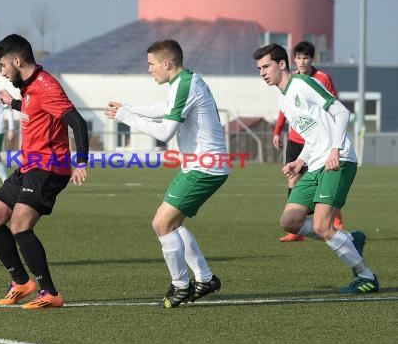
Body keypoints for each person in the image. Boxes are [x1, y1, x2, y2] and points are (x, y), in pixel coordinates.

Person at [106, 39, 229, 308]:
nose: (149, 69)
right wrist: (126, 108)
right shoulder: (184, 81)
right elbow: (162, 110)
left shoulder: (185, 84)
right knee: (174, 225)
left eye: (151, 64)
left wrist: (125, 117)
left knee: (161, 224)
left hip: (205, 167)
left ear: (166, 63)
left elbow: (165, 132)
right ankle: (205, 279)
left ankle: (181, 285)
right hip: (199, 165)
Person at [253, 43, 379, 293]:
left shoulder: (302, 85)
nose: (262, 72)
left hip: (338, 160)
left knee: (323, 226)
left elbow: (342, 112)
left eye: (266, 66)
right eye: (259, 68)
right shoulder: (284, 99)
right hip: (316, 162)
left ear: (281, 64)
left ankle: (366, 277)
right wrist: (301, 160)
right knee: (290, 221)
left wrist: (335, 149)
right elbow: (313, 135)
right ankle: (350, 240)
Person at [0, 34, 89, 309]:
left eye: (4, 66)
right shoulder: (28, 87)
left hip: (50, 167)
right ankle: (20, 283)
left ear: (17, 61)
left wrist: (81, 161)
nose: (3, 73)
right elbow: (37, 111)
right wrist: (13, 103)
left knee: (19, 225)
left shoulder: (46, 85)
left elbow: (77, 122)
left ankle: (50, 293)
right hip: (29, 165)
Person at [273, 41, 343, 242]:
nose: (302, 62)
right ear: (293, 59)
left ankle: (335, 223)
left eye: (306, 58)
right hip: (295, 139)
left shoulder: (321, 78)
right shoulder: (290, 79)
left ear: (312, 59)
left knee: (324, 183)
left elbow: (333, 106)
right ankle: (295, 230)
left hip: (318, 141)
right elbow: (284, 109)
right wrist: (277, 131)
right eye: (299, 57)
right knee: (292, 179)